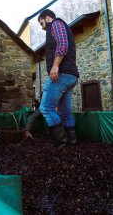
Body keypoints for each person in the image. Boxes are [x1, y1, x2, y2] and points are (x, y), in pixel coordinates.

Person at [37, 9, 79, 147]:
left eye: (41, 23)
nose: (42, 27)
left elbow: (62, 44)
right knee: (65, 112)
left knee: (46, 108)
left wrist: (55, 66)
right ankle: (72, 141)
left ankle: (61, 142)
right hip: (70, 76)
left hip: (61, 74)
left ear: (46, 18)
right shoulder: (57, 26)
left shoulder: (55, 23)